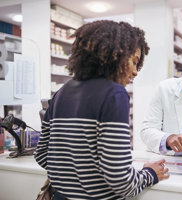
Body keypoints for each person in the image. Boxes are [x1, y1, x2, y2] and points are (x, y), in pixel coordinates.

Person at [34, 20, 169, 200]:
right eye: (134, 61)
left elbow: (42, 155)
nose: (136, 71)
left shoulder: (62, 92)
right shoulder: (114, 94)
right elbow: (121, 182)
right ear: (115, 54)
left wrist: (74, 177)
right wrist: (149, 174)